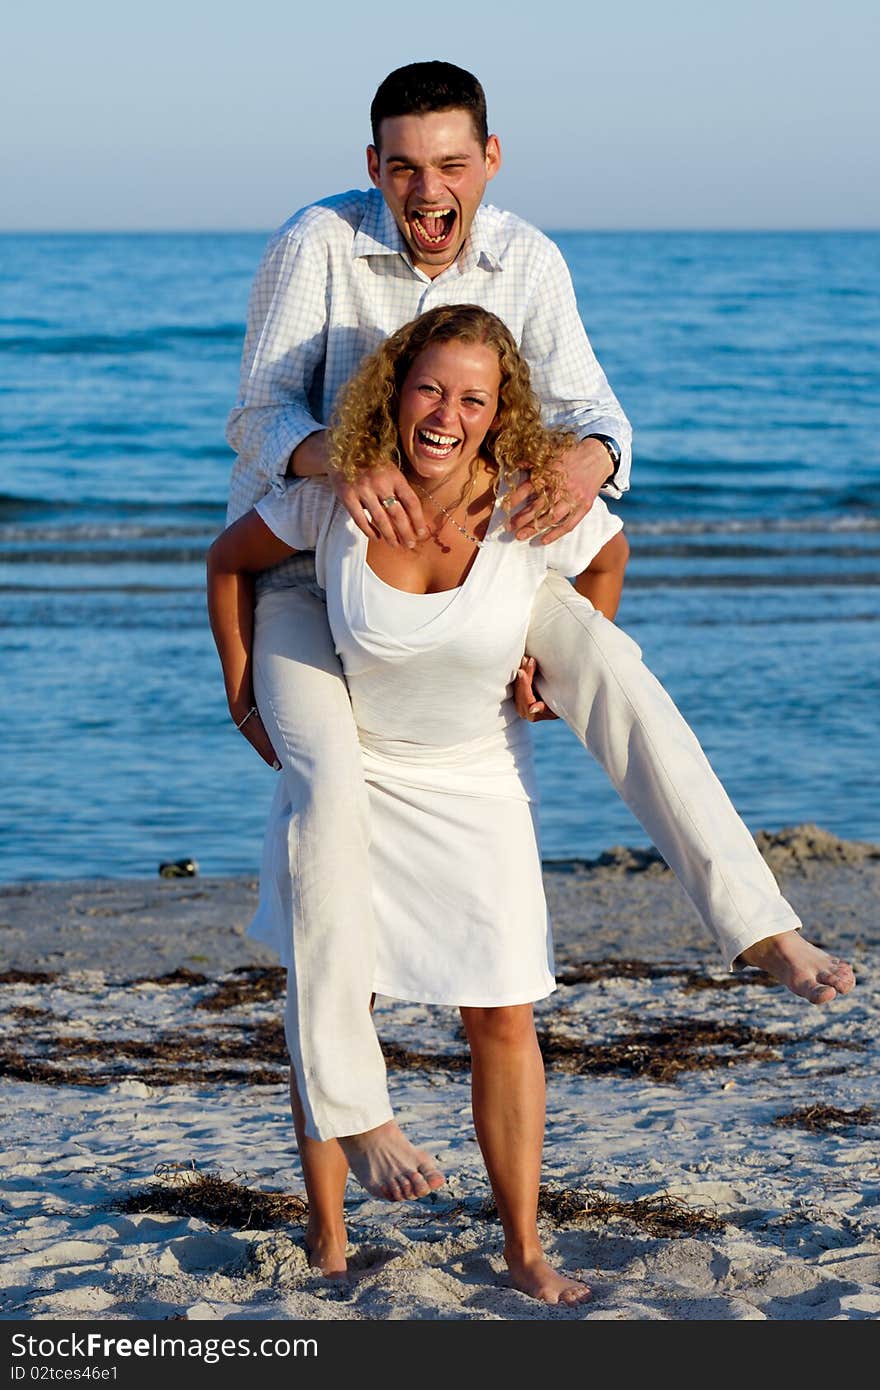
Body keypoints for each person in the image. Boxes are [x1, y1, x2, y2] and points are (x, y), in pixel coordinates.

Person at [223, 60, 855, 1219]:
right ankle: (356, 1116)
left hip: (481, 557)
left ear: (489, 162)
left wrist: (586, 466)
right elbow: (257, 417)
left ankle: (761, 927)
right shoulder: (313, 243)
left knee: (614, 666)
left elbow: (598, 416)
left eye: (451, 165)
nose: (428, 190)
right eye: (404, 166)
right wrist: (340, 462)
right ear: (373, 167)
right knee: (323, 806)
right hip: (322, 573)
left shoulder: (530, 260)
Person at [211, 305, 631, 1302]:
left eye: (473, 398)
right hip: (352, 763)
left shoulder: (528, 504)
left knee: (502, 1011)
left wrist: (560, 663)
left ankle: (523, 1247)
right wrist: (243, 692)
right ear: (393, 389)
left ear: (501, 413)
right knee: (332, 991)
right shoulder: (343, 495)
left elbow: (607, 554)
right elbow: (230, 560)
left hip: (476, 775)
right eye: (430, 389)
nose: (447, 413)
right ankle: (327, 1238)